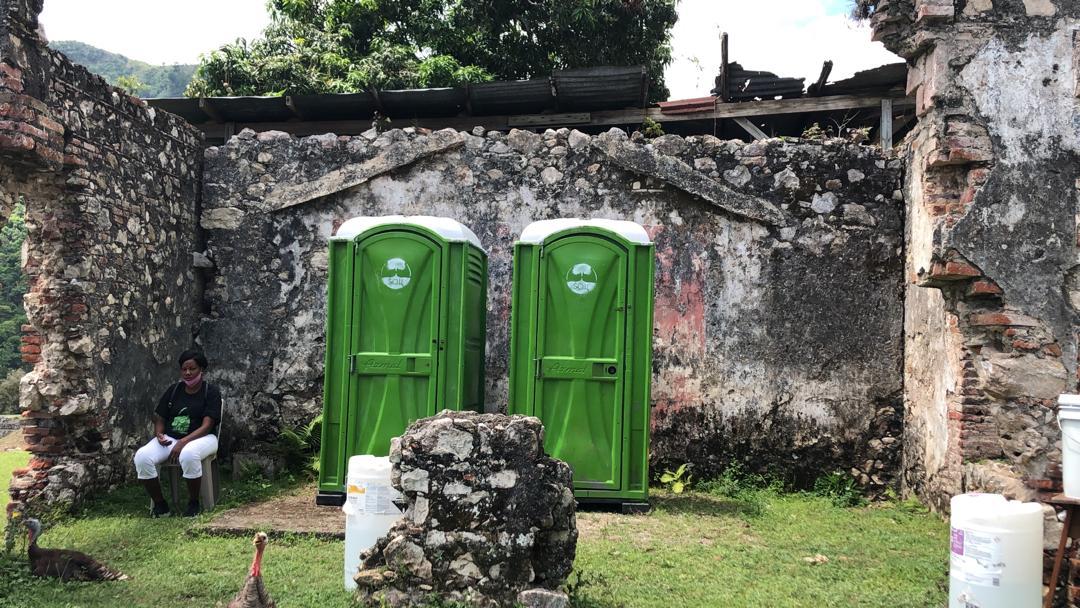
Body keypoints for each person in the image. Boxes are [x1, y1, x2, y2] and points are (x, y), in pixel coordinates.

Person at [133, 350, 222, 517]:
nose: (187, 373)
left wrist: (183, 442)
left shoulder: (210, 391)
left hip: (203, 438)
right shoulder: (174, 390)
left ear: (201, 369)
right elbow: (160, 417)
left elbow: (207, 425)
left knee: (188, 454)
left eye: (192, 369)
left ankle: (193, 503)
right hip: (171, 438)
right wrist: (159, 434)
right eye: (184, 369)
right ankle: (161, 506)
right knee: (142, 457)